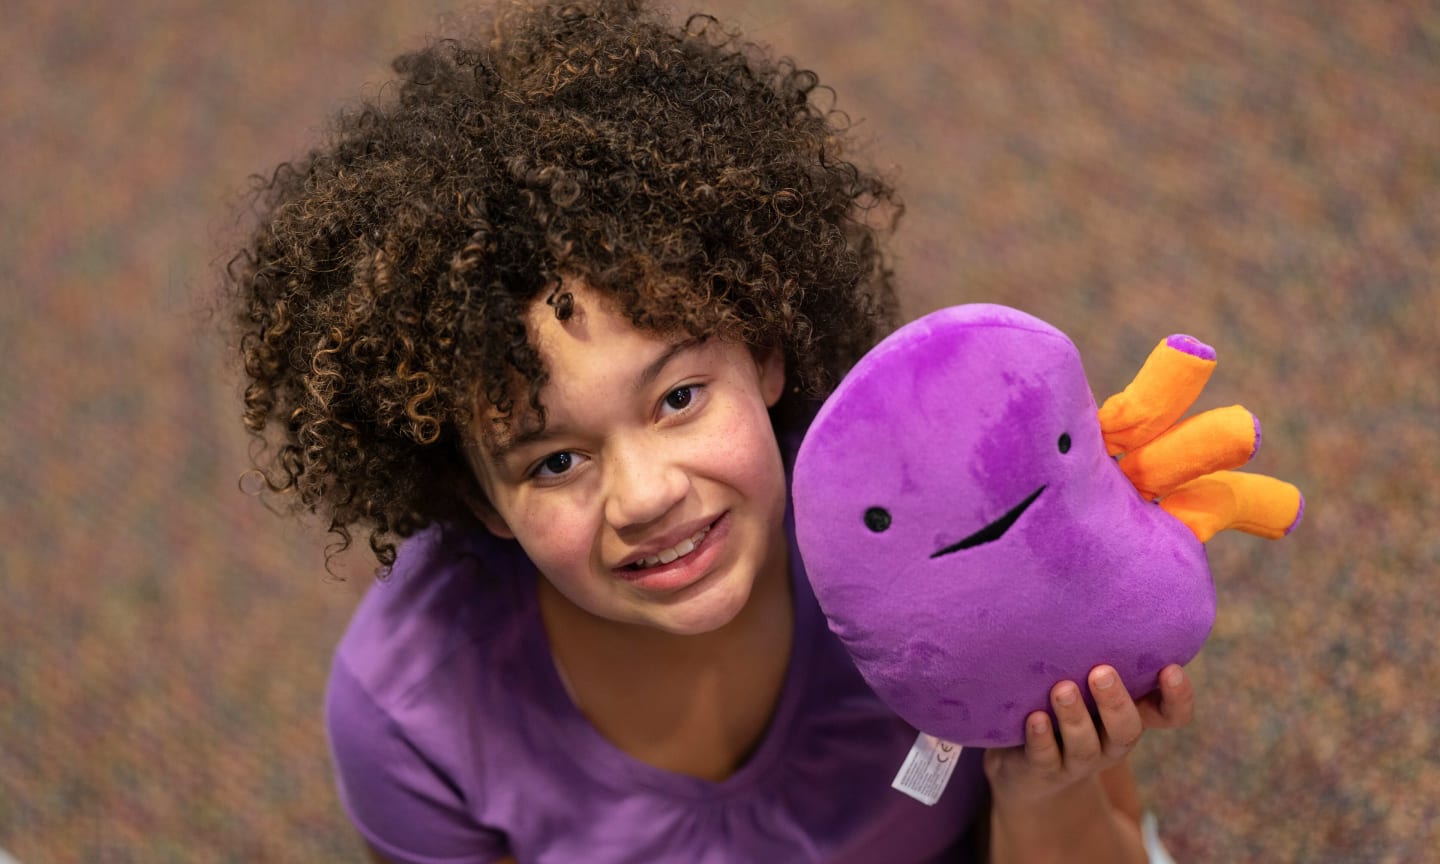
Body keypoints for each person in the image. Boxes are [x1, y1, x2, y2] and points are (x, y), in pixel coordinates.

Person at [227, 1, 1195, 861]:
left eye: (679, 398)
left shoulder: (950, 518)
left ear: (766, 353)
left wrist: (1043, 791)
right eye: (556, 459)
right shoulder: (409, 717)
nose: (648, 496)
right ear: (481, 499)